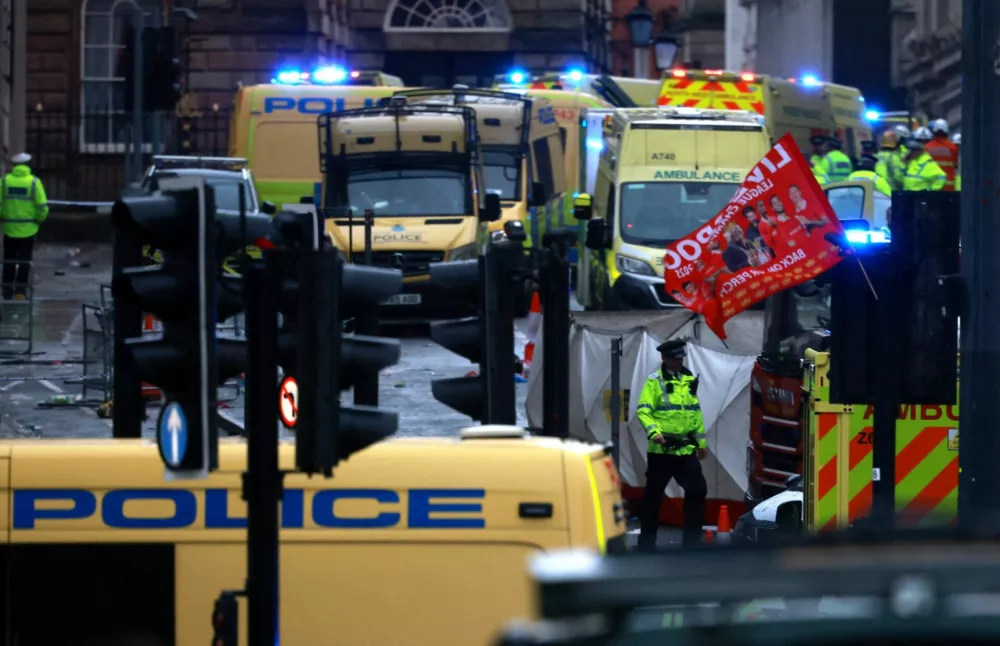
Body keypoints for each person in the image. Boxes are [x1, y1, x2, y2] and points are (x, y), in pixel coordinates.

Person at [636, 339, 707, 550]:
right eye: (675, 359)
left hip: (685, 450)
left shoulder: (688, 380)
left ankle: (692, 544)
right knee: (653, 497)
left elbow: (695, 414)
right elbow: (644, 410)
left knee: (697, 490)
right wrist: (654, 433)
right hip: (661, 451)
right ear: (664, 359)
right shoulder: (654, 382)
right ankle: (646, 544)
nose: (679, 362)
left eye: (680, 358)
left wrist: (701, 444)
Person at [1, 153, 49, 301]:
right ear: (28, 165)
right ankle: (21, 292)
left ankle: (7, 291)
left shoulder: (4, 182)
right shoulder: (34, 182)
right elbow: (42, 206)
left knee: (9, 260)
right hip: (29, 229)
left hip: (9, 228)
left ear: (14, 166)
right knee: (24, 261)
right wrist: (39, 219)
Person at [924, 119, 959, 191]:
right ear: (946, 131)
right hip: (948, 187)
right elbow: (955, 166)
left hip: (933, 186)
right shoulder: (953, 147)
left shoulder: (927, 147)